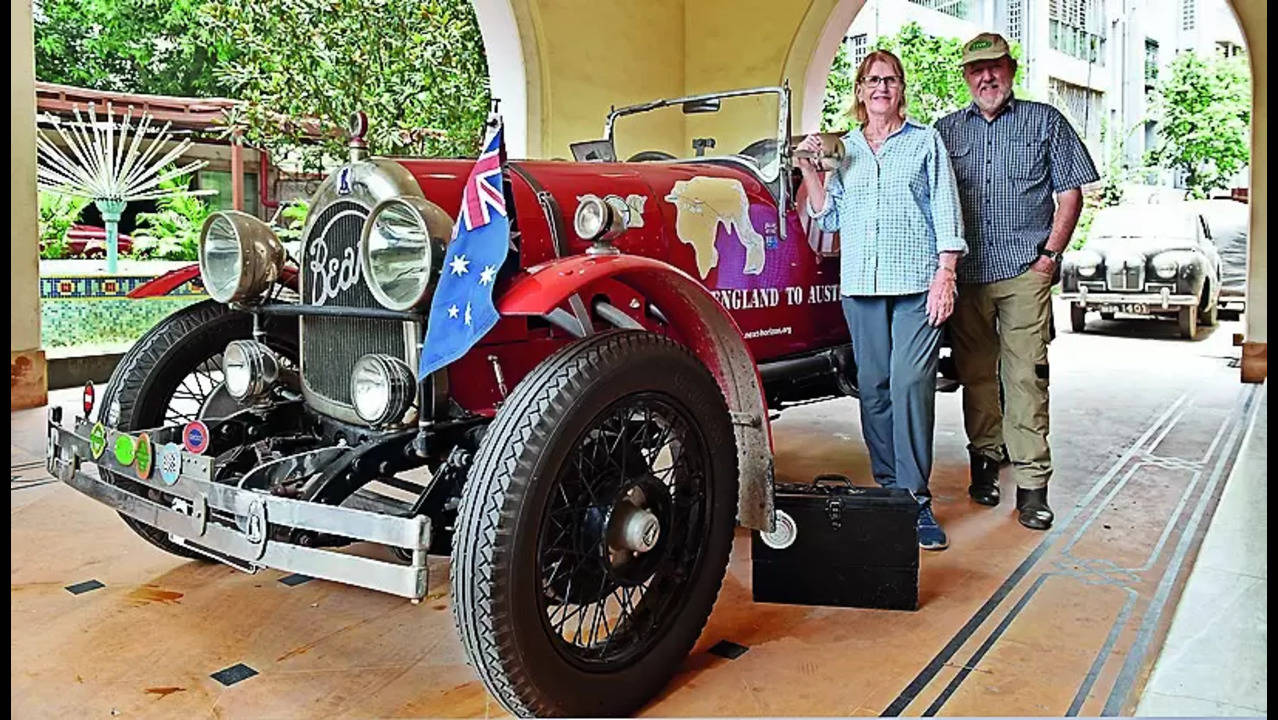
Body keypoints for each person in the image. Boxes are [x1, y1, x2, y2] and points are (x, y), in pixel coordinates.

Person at [798, 49, 966, 550]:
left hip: (917, 284)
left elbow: (946, 209)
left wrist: (946, 274)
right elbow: (829, 218)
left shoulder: (925, 143)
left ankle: (916, 499)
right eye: (872, 80)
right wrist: (811, 168)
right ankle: (890, 489)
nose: (881, 88)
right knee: (873, 386)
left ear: (901, 89)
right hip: (862, 288)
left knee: (911, 385)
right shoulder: (845, 150)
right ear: (860, 90)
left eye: (889, 79)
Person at [935, 33, 1099, 530]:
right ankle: (985, 463)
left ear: (1011, 69)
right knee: (978, 375)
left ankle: (1032, 486)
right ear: (966, 77)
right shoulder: (944, 132)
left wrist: (1049, 258)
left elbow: (1070, 194)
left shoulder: (1045, 121)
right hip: (968, 275)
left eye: (996, 67)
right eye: (976, 69)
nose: (987, 77)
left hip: (1025, 271)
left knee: (1025, 376)